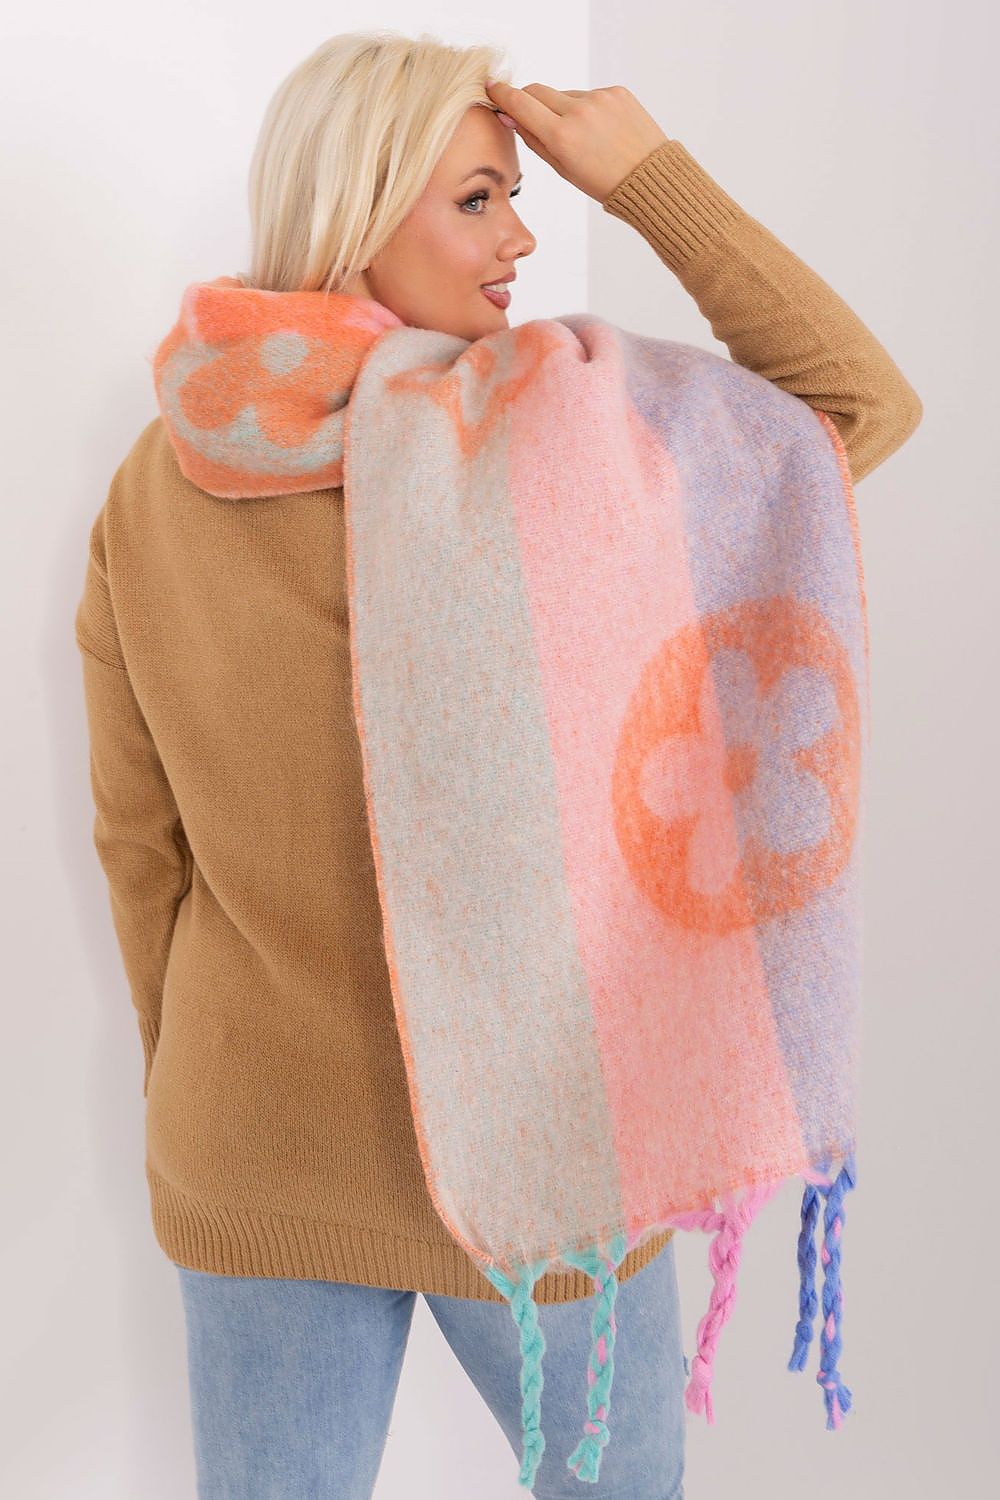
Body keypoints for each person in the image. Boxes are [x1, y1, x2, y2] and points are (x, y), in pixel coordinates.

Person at [74, 29, 922, 1500]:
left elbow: (141, 852)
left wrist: (210, 1082)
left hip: (253, 1138)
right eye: (479, 198)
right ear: (357, 211)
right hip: (549, 1140)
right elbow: (854, 406)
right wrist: (645, 176)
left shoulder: (160, 476)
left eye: (522, 194)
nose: (523, 235)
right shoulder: (563, 442)